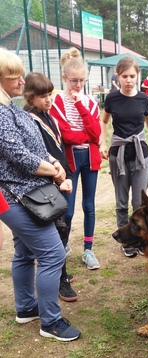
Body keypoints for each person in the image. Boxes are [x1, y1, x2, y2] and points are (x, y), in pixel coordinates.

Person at [0, 48, 80, 341]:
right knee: (52, 253)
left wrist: (55, 162)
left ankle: (25, 308)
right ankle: (51, 322)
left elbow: (35, 146)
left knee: (23, 252)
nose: (21, 80)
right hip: (15, 196)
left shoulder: (10, 108)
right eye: (13, 76)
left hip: (23, 193)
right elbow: (18, 155)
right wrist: (54, 171)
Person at [23, 72, 77, 302]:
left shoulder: (48, 115)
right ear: (30, 96)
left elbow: (58, 148)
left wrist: (67, 174)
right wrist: (58, 178)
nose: (48, 99)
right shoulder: (29, 120)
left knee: (64, 225)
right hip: (47, 185)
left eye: (50, 94)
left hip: (60, 179)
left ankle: (61, 272)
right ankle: (60, 280)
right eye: (42, 96)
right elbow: (38, 156)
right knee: (57, 230)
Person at [100, 56, 148, 257]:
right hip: (119, 153)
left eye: (132, 76)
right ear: (118, 76)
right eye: (124, 76)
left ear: (138, 76)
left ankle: (140, 238)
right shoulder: (112, 98)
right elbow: (104, 121)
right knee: (121, 201)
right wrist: (102, 142)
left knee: (140, 201)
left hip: (140, 153)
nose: (128, 80)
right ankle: (126, 242)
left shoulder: (144, 99)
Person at [50, 47, 102, 270]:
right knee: (67, 210)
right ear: (64, 78)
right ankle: (62, 246)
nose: (78, 85)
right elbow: (64, 135)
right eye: (73, 81)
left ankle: (88, 250)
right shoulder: (56, 103)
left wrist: (80, 104)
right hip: (69, 160)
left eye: (81, 81)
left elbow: (97, 133)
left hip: (90, 159)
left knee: (89, 205)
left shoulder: (90, 102)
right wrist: (87, 136)